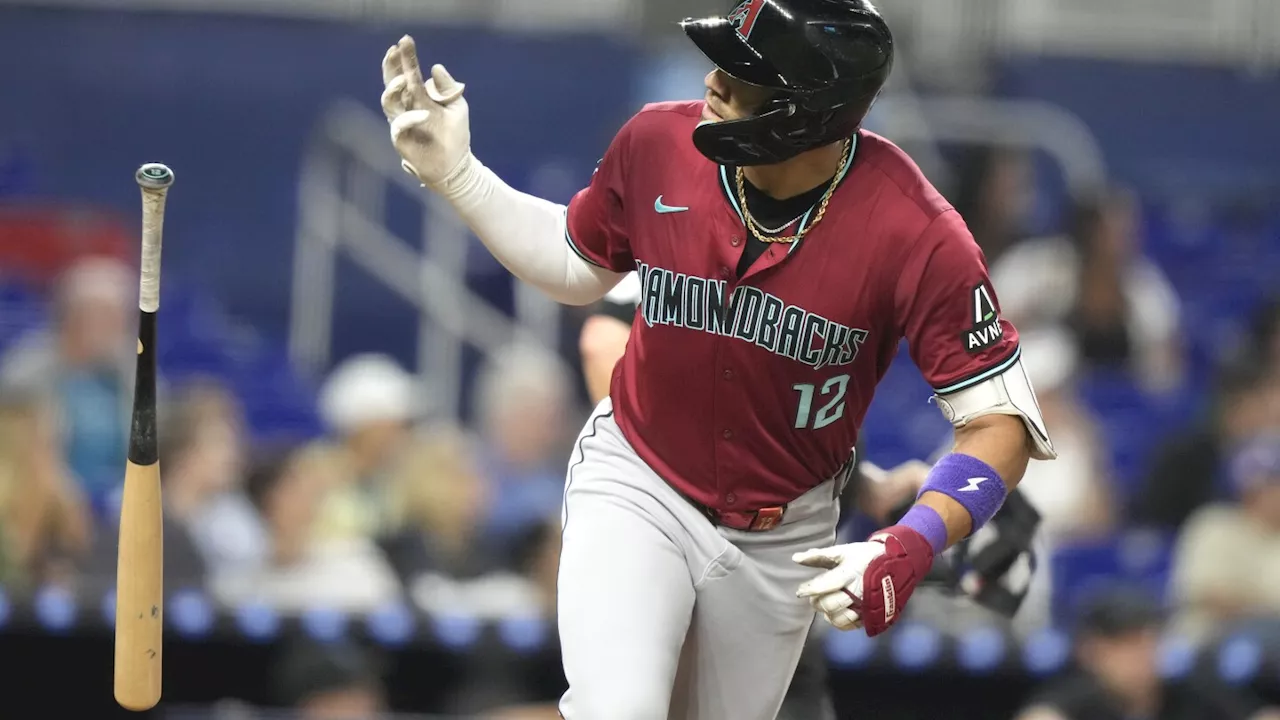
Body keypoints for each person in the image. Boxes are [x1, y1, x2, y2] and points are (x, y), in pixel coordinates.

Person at [380, 0, 1055, 716]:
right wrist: (460, 176)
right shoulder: (658, 143)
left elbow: (999, 424)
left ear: (807, 109)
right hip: (640, 480)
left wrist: (912, 540)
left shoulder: (917, 232)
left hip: (782, 533)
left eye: (743, 72)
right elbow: (580, 266)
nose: (713, 80)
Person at [1015, 587, 1279, 720]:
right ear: (1091, 651)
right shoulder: (1077, 699)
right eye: (1125, 645)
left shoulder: (1190, 690)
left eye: (1146, 642)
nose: (1139, 657)